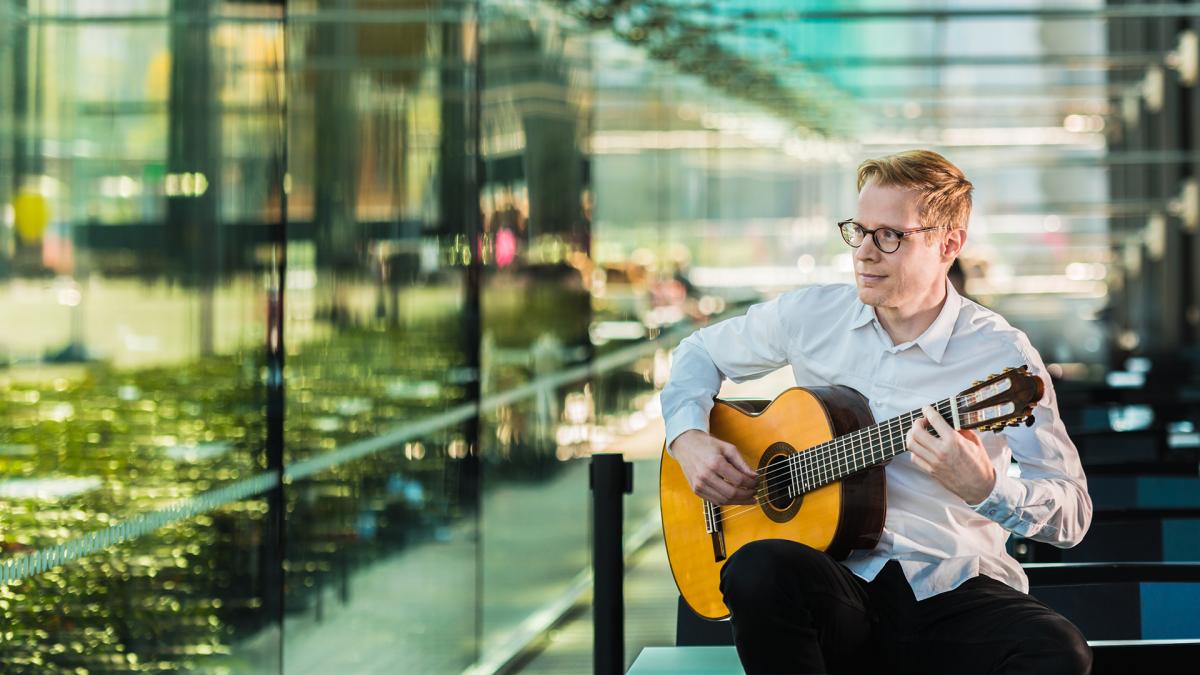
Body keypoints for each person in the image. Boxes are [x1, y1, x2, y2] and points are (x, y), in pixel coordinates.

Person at [660, 150, 1093, 674]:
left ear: (948, 244)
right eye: (858, 231)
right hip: (834, 585)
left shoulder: (1003, 358)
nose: (864, 253)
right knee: (757, 568)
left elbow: (1072, 514)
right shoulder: (812, 315)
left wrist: (985, 488)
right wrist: (687, 437)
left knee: (1056, 650)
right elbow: (697, 353)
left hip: (951, 588)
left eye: (890, 235)